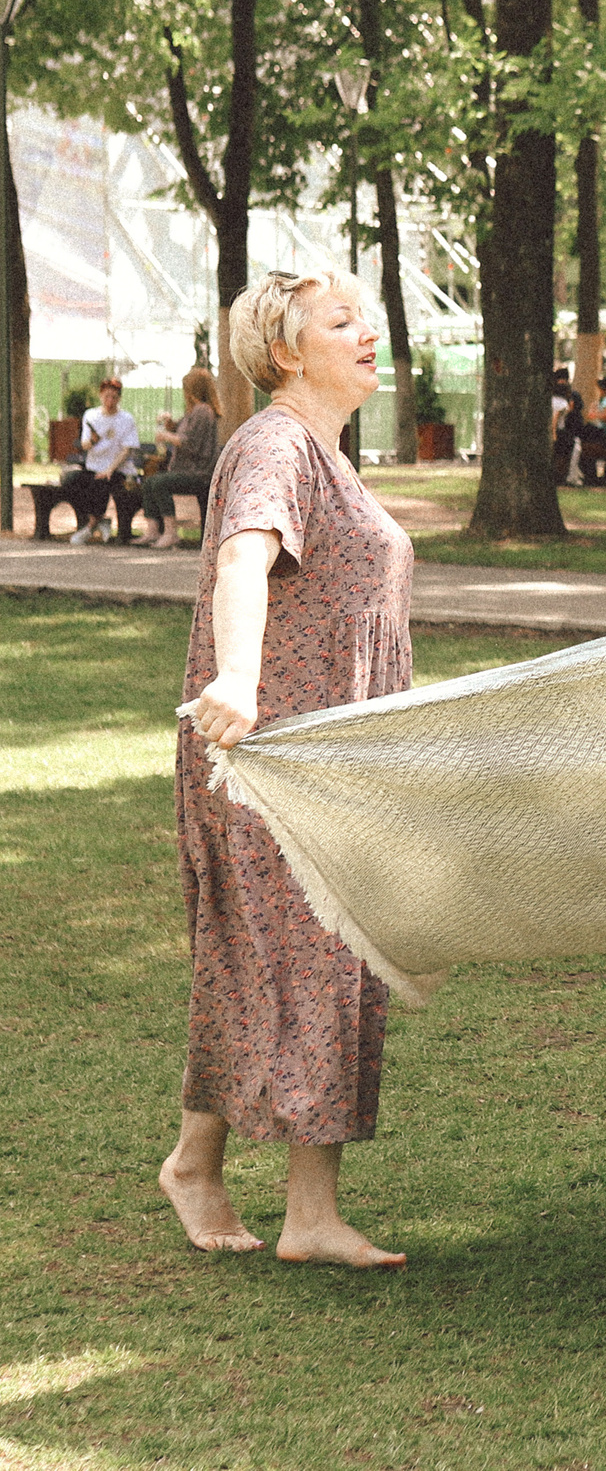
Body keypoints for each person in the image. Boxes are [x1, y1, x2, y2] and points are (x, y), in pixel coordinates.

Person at [160, 268, 415, 1269]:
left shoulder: (327, 456)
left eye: (368, 318)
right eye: (340, 321)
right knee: (284, 959)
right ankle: (223, 1176)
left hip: (333, 762)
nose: (368, 333)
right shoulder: (273, 443)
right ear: (283, 353)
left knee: (316, 963)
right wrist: (235, 676)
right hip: (271, 756)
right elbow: (241, 557)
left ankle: (292, 1206)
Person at [139, 367, 221, 550]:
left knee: (160, 483)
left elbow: (191, 443)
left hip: (198, 472)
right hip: (187, 470)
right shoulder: (194, 412)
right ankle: (153, 530)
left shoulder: (203, 411)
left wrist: (166, 436)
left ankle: (171, 532)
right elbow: (183, 431)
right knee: (150, 481)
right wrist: (170, 425)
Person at [65, 376, 142, 544]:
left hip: (118, 469)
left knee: (102, 482)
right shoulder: (91, 415)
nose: (110, 401)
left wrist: (110, 469)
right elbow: (85, 445)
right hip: (94, 466)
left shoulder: (126, 419)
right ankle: (99, 521)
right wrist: (93, 440)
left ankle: (91, 526)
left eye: (114, 397)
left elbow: (126, 449)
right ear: (101, 396)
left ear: (119, 398)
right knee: (71, 481)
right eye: (107, 396)